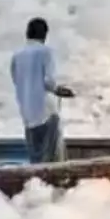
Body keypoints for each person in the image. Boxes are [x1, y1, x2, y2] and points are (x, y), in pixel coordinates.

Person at [10, 17, 75, 164]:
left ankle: (35, 185)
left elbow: (16, 80)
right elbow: (48, 81)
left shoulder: (17, 55)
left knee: (35, 159)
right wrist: (59, 90)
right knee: (51, 159)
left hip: (27, 114)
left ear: (27, 33)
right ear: (45, 35)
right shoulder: (46, 52)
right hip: (46, 112)